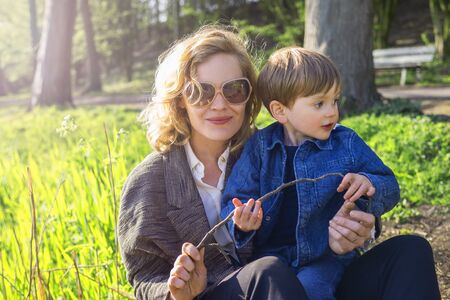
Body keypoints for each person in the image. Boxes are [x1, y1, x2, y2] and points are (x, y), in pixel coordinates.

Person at [118, 26, 312, 300]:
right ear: (180, 100)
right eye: (201, 92)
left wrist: (349, 229)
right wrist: (176, 293)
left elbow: (308, 220)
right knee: (267, 273)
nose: (219, 104)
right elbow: (144, 276)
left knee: (395, 255)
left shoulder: (272, 155)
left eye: (234, 89)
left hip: (295, 286)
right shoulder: (148, 182)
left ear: (249, 96)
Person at [221, 46, 402, 300]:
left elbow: (390, 184)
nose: (331, 111)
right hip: (270, 256)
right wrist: (241, 221)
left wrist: (369, 183)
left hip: (322, 256)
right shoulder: (260, 147)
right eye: (319, 103)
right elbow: (234, 198)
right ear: (280, 111)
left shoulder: (345, 143)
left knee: (312, 289)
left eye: (334, 101)